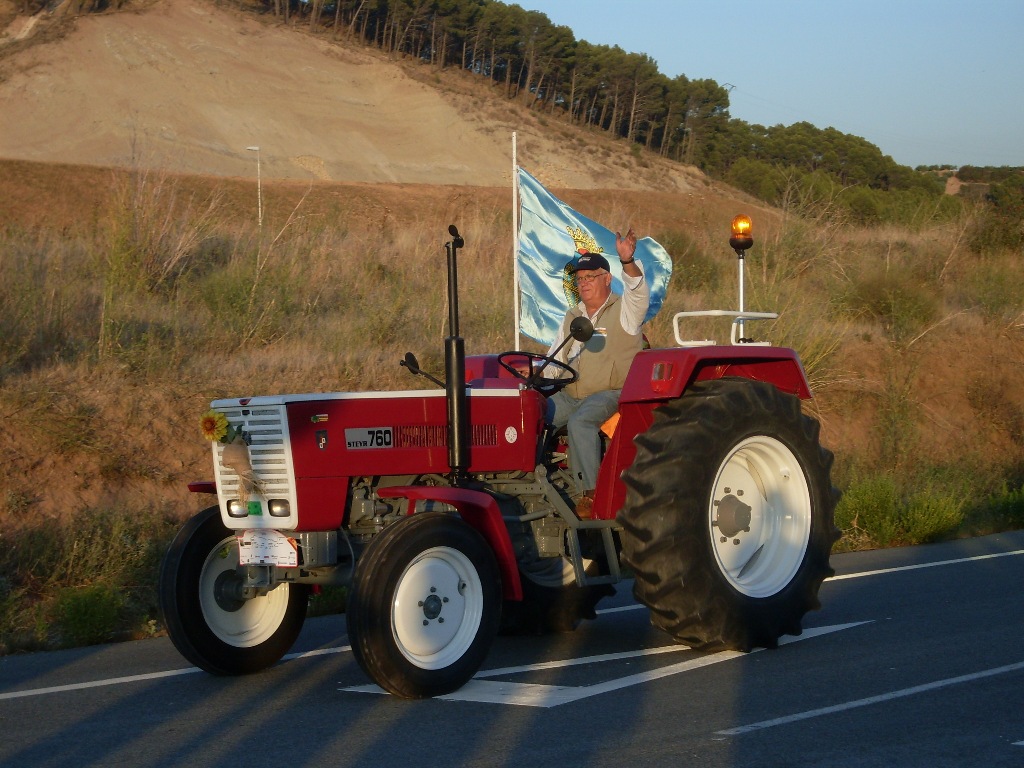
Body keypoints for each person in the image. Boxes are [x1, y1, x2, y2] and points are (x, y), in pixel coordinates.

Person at [545, 228, 650, 518]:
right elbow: (555, 360)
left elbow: (638, 290)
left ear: (607, 279)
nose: (583, 283)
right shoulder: (572, 316)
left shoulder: (625, 310)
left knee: (581, 422)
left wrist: (627, 260)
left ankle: (590, 496)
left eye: (590, 277)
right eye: (579, 279)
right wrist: (535, 375)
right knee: (533, 416)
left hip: (611, 393)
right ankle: (536, 482)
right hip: (571, 393)